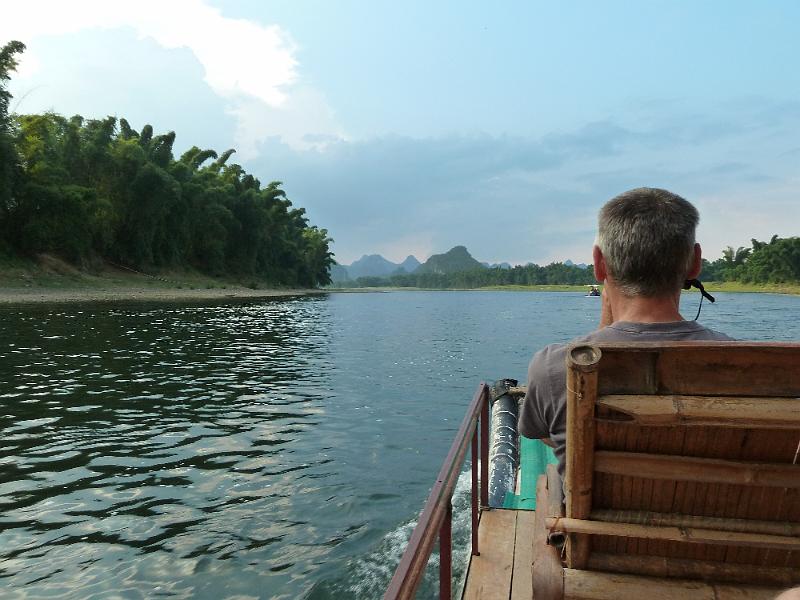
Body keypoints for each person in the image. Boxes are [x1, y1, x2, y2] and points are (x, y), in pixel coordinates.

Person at [518, 187, 732, 482]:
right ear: (695, 263)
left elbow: (546, 436)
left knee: (549, 482)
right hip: (718, 521)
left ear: (599, 264)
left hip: (592, 529)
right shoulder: (752, 365)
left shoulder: (554, 367)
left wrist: (604, 330)